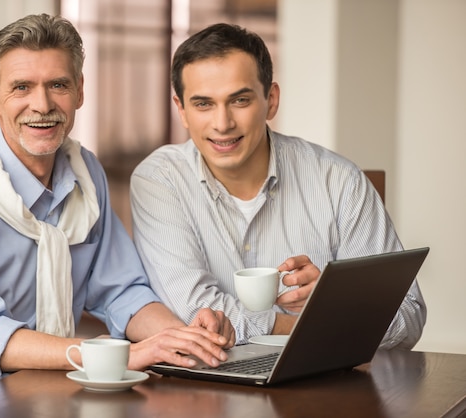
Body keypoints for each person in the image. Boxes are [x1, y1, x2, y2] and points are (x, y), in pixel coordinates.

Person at [0, 14, 235, 418]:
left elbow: (122, 292)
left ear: (80, 91)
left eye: (58, 85)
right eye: (21, 87)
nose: (42, 105)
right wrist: (118, 356)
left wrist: (181, 338)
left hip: (43, 383)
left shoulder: (85, 175)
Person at [130, 23, 426, 348]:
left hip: (325, 389)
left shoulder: (339, 181)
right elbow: (189, 310)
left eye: (240, 100)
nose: (222, 123)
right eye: (203, 104)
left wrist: (339, 304)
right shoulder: (159, 180)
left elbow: (408, 317)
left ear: (271, 100)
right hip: (208, 390)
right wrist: (311, 325)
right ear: (182, 110)